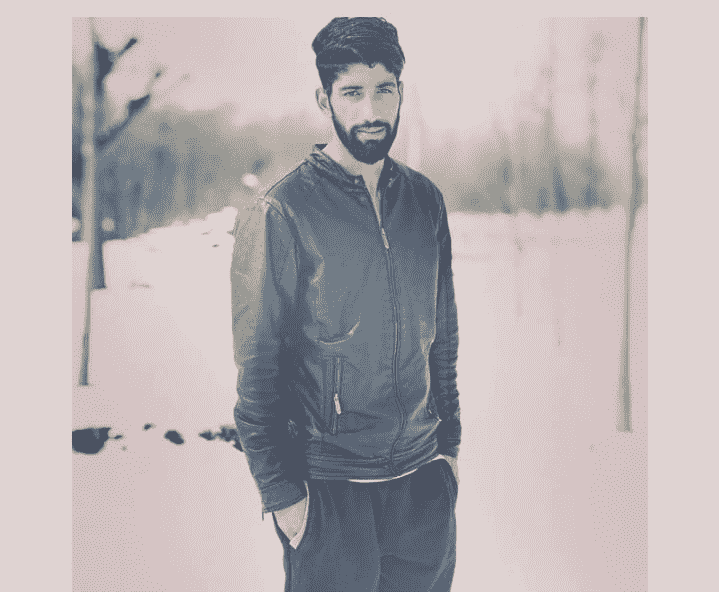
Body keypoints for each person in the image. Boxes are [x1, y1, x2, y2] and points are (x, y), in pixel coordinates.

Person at [231, 16, 461, 591]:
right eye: (352, 92)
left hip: (422, 490)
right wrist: (283, 497)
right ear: (324, 98)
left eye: (384, 89)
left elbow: (443, 340)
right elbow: (258, 369)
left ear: (401, 92)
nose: (371, 110)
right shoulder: (284, 211)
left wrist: (449, 453)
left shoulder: (424, 202)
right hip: (330, 492)